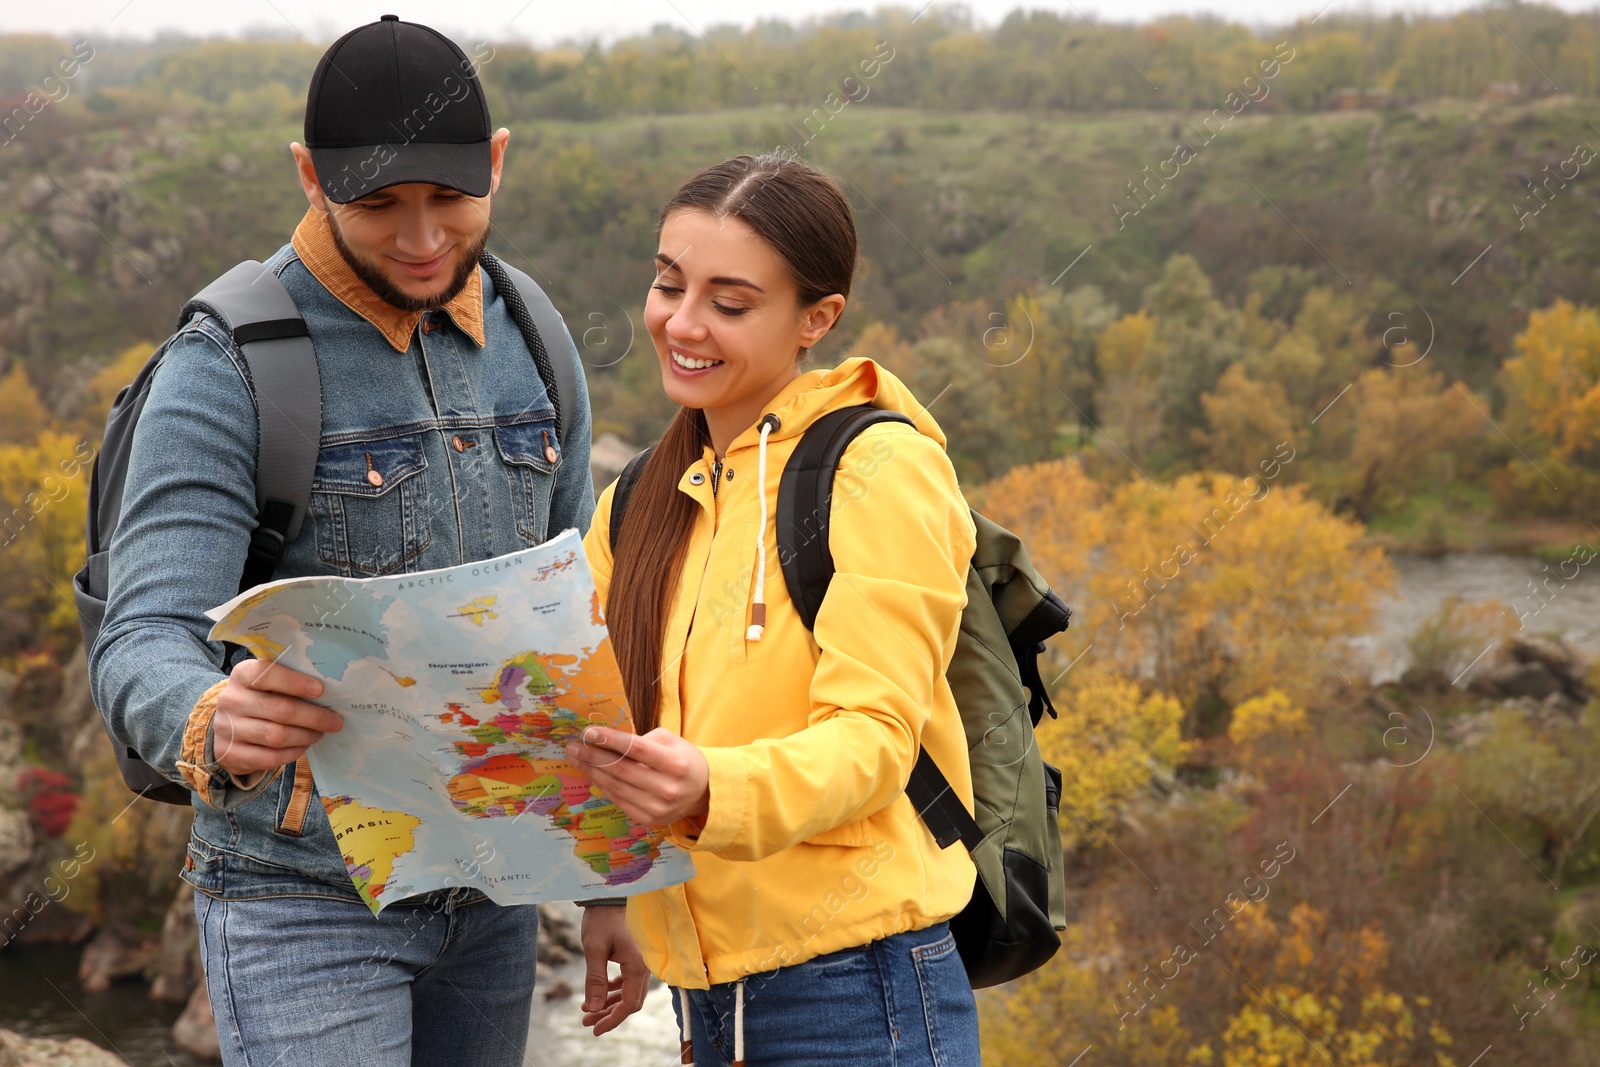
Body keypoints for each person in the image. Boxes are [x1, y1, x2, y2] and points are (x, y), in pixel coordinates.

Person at [87, 16, 644, 1066]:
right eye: (381, 204)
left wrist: (607, 875)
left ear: (499, 162)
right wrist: (206, 712)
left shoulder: (536, 333)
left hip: (499, 894)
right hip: (300, 901)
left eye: (452, 200)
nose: (424, 237)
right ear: (309, 175)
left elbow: (577, 636)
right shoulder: (223, 365)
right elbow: (141, 637)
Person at [567, 154, 983, 1065]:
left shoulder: (878, 472)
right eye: (669, 284)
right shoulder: (640, 497)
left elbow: (876, 739)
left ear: (817, 318)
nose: (682, 323)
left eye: (730, 302)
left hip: (858, 990)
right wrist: (612, 893)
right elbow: (600, 716)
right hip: (704, 1004)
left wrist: (715, 786)